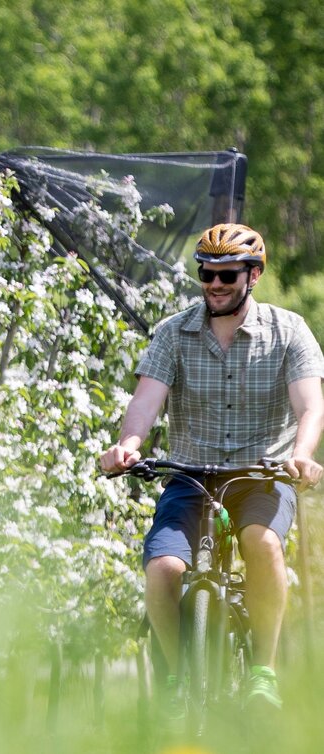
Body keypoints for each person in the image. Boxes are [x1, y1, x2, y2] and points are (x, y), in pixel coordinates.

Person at [99, 223, 324, 714]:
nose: (215, 285)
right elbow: (145, 402)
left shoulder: (289, 332)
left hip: (261, 474)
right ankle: (178, 677)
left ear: (253, 275)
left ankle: (263, 672)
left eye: (227, 275)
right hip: (190, 475)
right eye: (207, 273)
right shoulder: (172, 332)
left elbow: (311, 406)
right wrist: (128, 445)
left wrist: (302, 455)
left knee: (262, 543)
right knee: (162, 569)